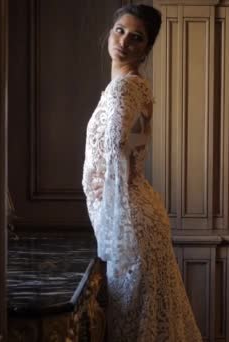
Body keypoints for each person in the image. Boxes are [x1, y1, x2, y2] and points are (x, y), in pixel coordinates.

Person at [82, 4, 203, 341]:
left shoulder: (125, 88)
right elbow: (134, 152)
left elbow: (119, 153)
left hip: (128, 217)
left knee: (134, 319)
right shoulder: (136, 86)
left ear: (146, 49)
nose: (124, 41)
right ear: (109, 33)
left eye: (136, 38)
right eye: (120, 30)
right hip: (140, 211)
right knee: (145, 315)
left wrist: (110, 229)